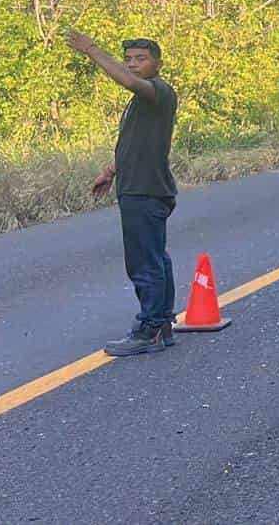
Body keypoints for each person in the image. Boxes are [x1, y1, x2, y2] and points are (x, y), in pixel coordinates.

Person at [67, 31, 180, 357]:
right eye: (129, 59)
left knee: (144, 262)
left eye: (140, 59)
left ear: (158, 64)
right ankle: (161, 324)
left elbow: (129, 82)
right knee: (156, 258)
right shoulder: (140, 103)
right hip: (139, 187)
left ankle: (149, 329)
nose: (132, 65)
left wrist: (91, 50)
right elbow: (133, 143)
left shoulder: (157, 91)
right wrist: (110, 171)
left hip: (145, 190)